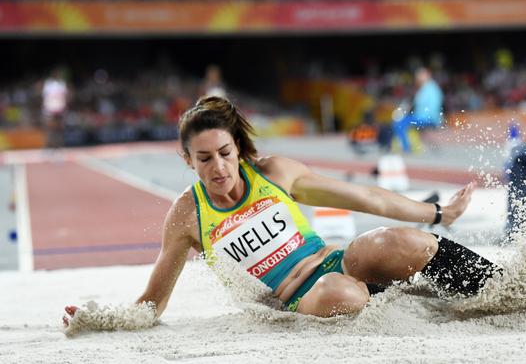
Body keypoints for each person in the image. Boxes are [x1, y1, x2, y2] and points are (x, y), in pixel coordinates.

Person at [63, 96, 499, 323]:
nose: (218, 167)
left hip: (335, 260)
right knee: (338, 292)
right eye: (204, 159)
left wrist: (438, 214)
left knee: (393, 242)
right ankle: (407, 300)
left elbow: (367, 199)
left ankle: (503, 289)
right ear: (187, 161)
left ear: (237, 148)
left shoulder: (273, 173)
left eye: (224, 153)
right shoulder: (187, 215)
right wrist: (100, 318)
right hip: (301, 299)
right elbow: (151, 304)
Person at [392, 67, 444, 153]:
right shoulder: (428, 87)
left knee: (399, 123)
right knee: (409, 124)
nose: (418, 77)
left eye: (420, 75)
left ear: (428, 75)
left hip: (427, 118)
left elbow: (425, 105)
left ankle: (406, 148)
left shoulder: (429, 88)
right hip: (426, 117)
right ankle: (432, 148)